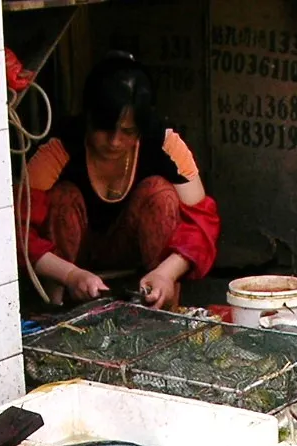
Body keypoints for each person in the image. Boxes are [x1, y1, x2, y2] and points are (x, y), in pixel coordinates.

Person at [17, 53, 220, 311]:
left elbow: (202, 223)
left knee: (161, 194)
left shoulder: (164, 145)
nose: (114, 141)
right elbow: (18, 232)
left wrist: (166, 274)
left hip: (138, 257)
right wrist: (69, 275)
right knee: (62, 198)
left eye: (127, 131)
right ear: (88, 117)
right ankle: (58, 312)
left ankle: (163, 309)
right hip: (70, 269)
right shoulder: (59, 148)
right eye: (105, 128)